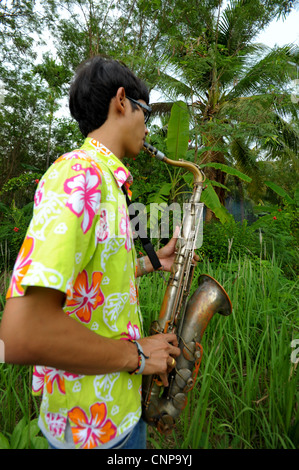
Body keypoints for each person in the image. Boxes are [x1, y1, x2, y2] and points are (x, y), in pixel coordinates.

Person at [0, 56, 182, 450]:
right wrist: (136, 355)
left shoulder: (108, 183)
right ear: (122, 101)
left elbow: (87, 284)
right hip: (94, 431)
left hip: (117, 413)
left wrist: (152, 264)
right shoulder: (79, 175)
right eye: (145, 112)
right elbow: (21, 334)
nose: (147, 126)